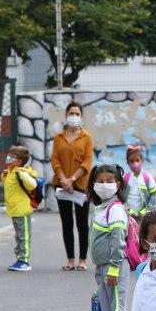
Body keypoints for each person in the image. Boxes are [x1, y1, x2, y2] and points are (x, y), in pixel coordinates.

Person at [89, 164, 130, 311]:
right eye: (100, 181)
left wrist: (114, 268)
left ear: (118, 184)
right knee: (112, 307)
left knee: (118, 308)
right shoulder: (102, 208)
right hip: (104, 266)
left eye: (109, 181)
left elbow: (118, 239)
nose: (104, 185)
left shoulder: (115, 209)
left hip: (114, 266)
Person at [51, 101, 94, 271]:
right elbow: (55, 160)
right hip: (61, 185)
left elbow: (87, 162)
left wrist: (72, 179)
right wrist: (63, 179)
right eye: (71, 113)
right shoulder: (58, 138)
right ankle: (70, 259)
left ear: (81, 116)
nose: (74, 116)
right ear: (66, 115)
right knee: (66, 222)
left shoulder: (87, 137)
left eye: (77, 113)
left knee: (82, 223)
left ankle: (82, 259)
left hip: (81, 185)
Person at [1, 145, 39, 271]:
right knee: (18, 236)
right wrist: (5, 174)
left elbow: (32, 184)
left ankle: (24, 261)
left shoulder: (22, 172)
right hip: (14, 210)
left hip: (22, 210)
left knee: (24, 236)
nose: (9, 158)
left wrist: (22, 173)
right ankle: (19, 257)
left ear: (19, 161)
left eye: (12, 156)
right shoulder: (10, 171)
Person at [123, 145, 156, 218]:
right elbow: (121, 197)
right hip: (128, 215)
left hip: (144, 215)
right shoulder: (125, 178)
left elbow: (153, 197)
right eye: (132, 161)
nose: (135, 164)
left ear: (142, 161)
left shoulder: (148, 178)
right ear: (128, 163)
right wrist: (129, 211)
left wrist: (144, 212)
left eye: (137, 160)